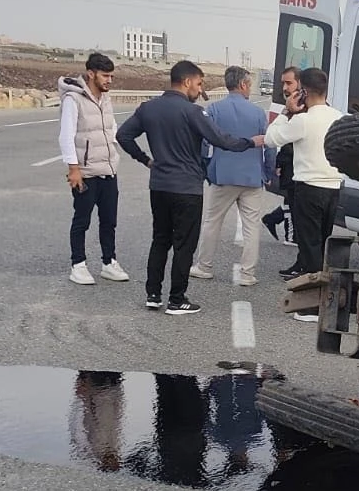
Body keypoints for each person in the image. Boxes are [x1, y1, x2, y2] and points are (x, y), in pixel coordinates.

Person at [115, 60, 264, 316]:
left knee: (160, 239)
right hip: (187, 188)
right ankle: (177, 299)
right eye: (198, 83)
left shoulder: (148, 108)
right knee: (184, 243)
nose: (200, 88)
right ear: (186, 82)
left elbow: (123, 136)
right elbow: (220, 140)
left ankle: (153, 294)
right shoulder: (193, 113)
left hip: (159, 185)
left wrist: (146, 160)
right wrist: (249, 143)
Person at [263, 66, 344, 321]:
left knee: (309, 248)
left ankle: (312, 307)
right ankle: (327, 301)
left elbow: (270, 138)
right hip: (333, 187)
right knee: (323, 246)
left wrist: (287, 110)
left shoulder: (302, 120)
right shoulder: (339, 117)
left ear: (304, 91)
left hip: (308, 188)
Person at [189, 66, 273, 287]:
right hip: (252, 176)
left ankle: (204, 266)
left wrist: (207, 168)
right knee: (251, 226)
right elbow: (269, 144)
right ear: (243, 84)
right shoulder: (257, 113)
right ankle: (247, 274)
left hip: (223, 175)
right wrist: (268, 171)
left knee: (212, 222)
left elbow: (204, 143)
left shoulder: (215, 109)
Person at [58, 53, 129, 285]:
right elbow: (66, 136)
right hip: (86, 172)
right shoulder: (73, 99)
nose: (109, 80)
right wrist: (74, 169)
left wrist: (116, 151)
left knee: (109, 220)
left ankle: (109, 262)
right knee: (82, 220)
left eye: (112, 76)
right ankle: (78, 265)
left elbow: (111, 130)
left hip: (108, 170)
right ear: (91, 74)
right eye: (105, 76)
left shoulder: (106, 100)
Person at [262, 66, 305, 270]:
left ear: (300, 83)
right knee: (292, 200)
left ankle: (272, 219)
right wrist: (279, 163)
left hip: (302, 166)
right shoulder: (290, 107)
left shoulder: (305, 107)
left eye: (289, 83)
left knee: (297, 203)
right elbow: (281, 139)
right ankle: (290, 235)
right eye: (283, 83)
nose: (285, 87)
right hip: (291, 164)